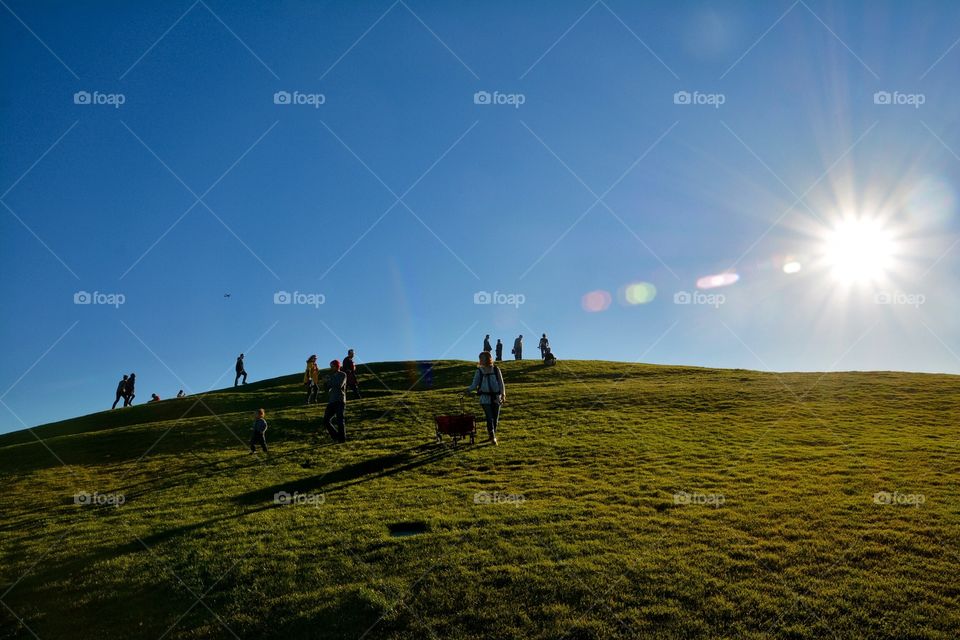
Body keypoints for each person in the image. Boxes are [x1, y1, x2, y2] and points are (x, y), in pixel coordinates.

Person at [465, 351, 505, 445]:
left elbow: (501, 382)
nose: (480, 360)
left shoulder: (496, 369)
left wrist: (503, 394)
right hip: (485, 398)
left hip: (496, 397)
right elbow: (474, 384)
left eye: (482, 358)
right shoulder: (479, 371)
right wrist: (468, 390)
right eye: (480, 358)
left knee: (495, 418)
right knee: (489, 417)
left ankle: (492, 434)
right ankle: (493, 436)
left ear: (488, 358)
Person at [323, 360, 347, 443]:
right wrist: (325, 382)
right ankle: (336, 436)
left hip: (340, 400)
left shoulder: (343, 374)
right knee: (326, 420)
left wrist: (329, 381)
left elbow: (339, 385)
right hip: (331, 401)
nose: (331, 368)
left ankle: (342, 439)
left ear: (337, 366)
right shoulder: (331, 376)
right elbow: (327, 389)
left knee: (340, 420)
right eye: (331, 366)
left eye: (332, 366)